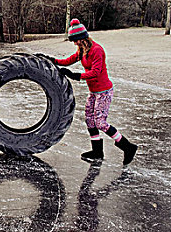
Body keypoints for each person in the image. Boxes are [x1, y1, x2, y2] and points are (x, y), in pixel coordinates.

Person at [38, 19, 137, 165]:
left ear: (82, 38)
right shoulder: (82, 51)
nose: (75, 44)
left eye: (76, 41)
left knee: (100, 122)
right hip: (94, 91)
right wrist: (51, 60)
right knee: (89, 120)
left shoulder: (97, 50)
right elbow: (68, 61)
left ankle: (128, 147)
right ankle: (97, 151)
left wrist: (76, 76)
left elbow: (95, 72)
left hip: (104, 91)